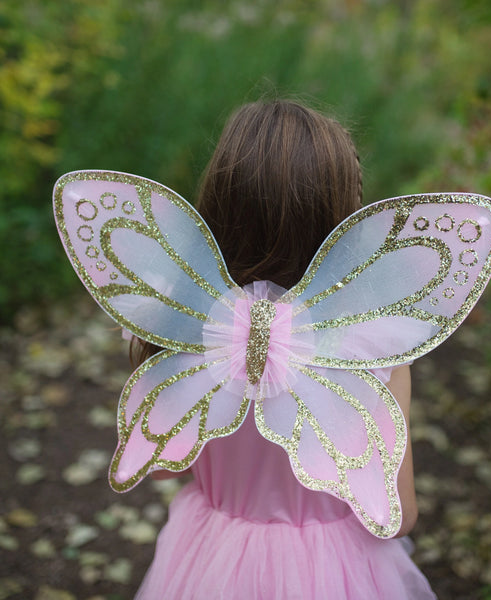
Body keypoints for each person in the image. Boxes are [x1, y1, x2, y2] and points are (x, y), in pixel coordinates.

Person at [131, 100, 437, 599]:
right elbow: (397, 514)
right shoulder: (374, 345)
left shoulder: (180, 324)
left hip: (210, 560)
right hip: (334, 571)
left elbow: (170, 463)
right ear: (341, 214)